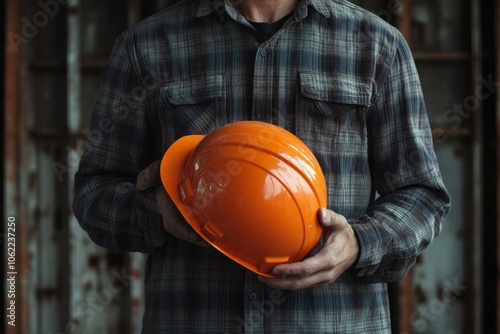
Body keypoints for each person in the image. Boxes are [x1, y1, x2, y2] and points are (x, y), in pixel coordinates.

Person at [73, 0, 451, 332]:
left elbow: (422, 196)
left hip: (334, 322)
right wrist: (156, 212)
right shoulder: (148, 46)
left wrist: (358, 243)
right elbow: (94, 192)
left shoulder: (377, 46)